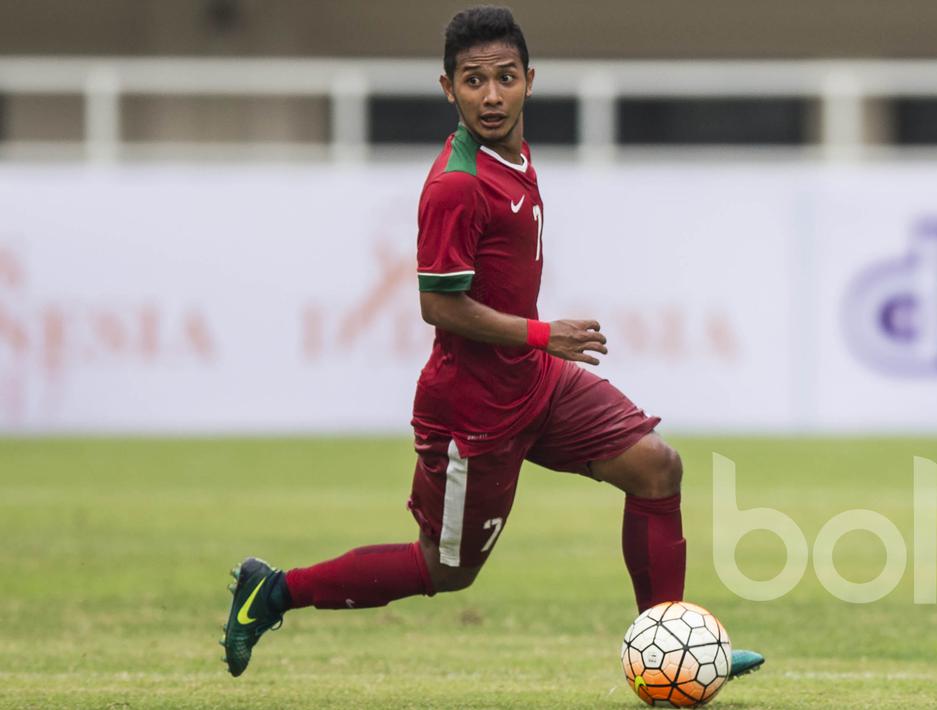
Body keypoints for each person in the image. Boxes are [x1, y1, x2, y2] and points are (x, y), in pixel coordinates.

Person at [220, 5, 764, 682]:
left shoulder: (515, 152)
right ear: (447, 87)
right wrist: (543, 333)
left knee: (655, 468)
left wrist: (536, 350)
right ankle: (272, 592)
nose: (491, 95)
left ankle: (675, 647)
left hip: (531, 380)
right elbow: (437, 306)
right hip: (471, 411)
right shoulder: (456, 186)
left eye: (504, 77)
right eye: (473, 81)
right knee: (444, 569)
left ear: (529, 80)